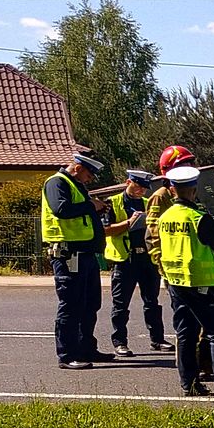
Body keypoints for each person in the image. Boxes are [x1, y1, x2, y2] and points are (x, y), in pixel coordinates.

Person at [157, 165, 214, 397]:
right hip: (201, 283)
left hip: (175, 282)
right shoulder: (198, 217)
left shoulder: (165, 217)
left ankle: (188, 383)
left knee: (185, 333)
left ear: (172, 189)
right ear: (193, 190)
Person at [41, 151, 131, 369]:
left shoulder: (77, 186)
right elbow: (61, 209)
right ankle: (67, 355)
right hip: (68, 254)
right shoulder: (56, 182)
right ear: (78, 168)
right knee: (71, 305)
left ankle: (86, 348)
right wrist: (92, 206)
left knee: (90, 304)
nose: (90, 180)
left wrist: (97, 207)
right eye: (90, 175)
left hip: (85, 254)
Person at [146, 144, 212, 380]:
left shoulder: (190, 194)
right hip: (176, 275)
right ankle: (189, 373)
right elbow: (153, 237)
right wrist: (163, 268)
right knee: (186, 327)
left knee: (205, 326)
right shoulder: (160, 197)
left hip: (196, 272)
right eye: (184, 164)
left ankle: (205, 367)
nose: (190, 168)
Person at [105, 168, 169, 357]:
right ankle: (120, 342)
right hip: (125, 259)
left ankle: (157, 339)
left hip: (147, 259)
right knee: (121, 304)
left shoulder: (148, 203)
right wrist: (128, 223)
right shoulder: (113, 202)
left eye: (144, 188)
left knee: (152, 302)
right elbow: (106, 230)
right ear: (128, 182)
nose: (141, 191)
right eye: (138, 186)